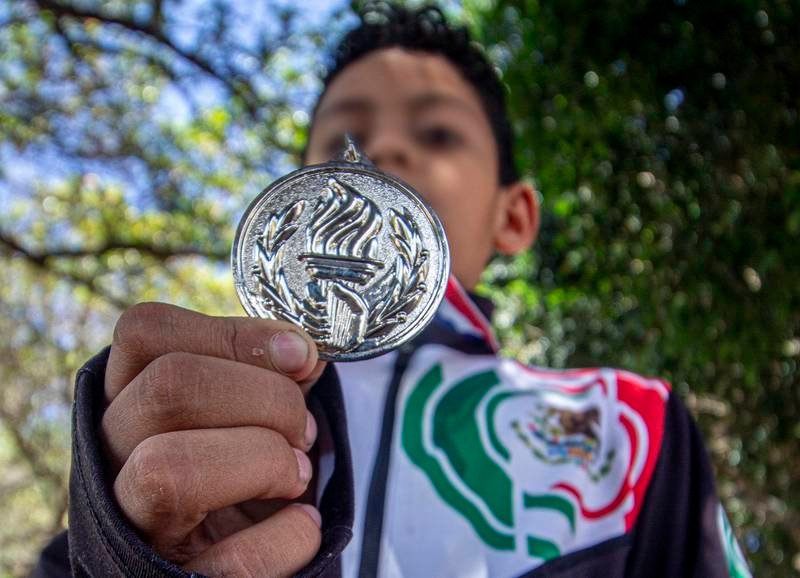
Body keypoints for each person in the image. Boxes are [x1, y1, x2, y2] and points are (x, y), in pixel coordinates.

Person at [31, 3, 751, 577]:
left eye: (437, 134)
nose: (382, 152)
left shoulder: (627, 431)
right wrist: (126, 552)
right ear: (299, 196)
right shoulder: (182, 434)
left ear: (515, 216)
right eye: (344, 135)